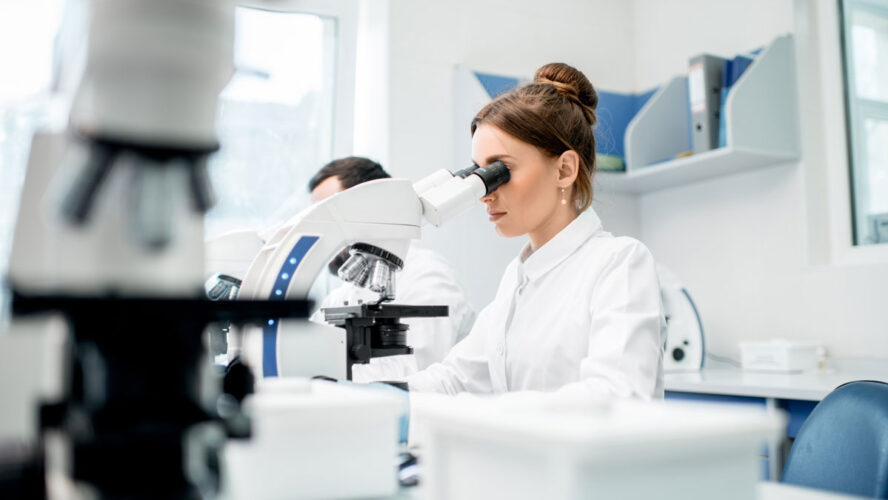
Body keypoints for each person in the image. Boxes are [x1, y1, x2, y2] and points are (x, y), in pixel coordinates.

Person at [406, 63, 665, 400]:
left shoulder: (619, 263)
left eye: (500, 170)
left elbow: (618, 395)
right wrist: (380, 398)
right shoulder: (517, 277)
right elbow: (458, 378)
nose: (484, 191)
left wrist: (488, 415)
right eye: (478, 172)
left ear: (564, 170)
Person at [306, 156, 476, 382]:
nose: (323, 234)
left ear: (371, 210)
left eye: (329, 217)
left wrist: (318, 373)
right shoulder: (345, 291)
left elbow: (413, 373)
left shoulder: (428, 276)